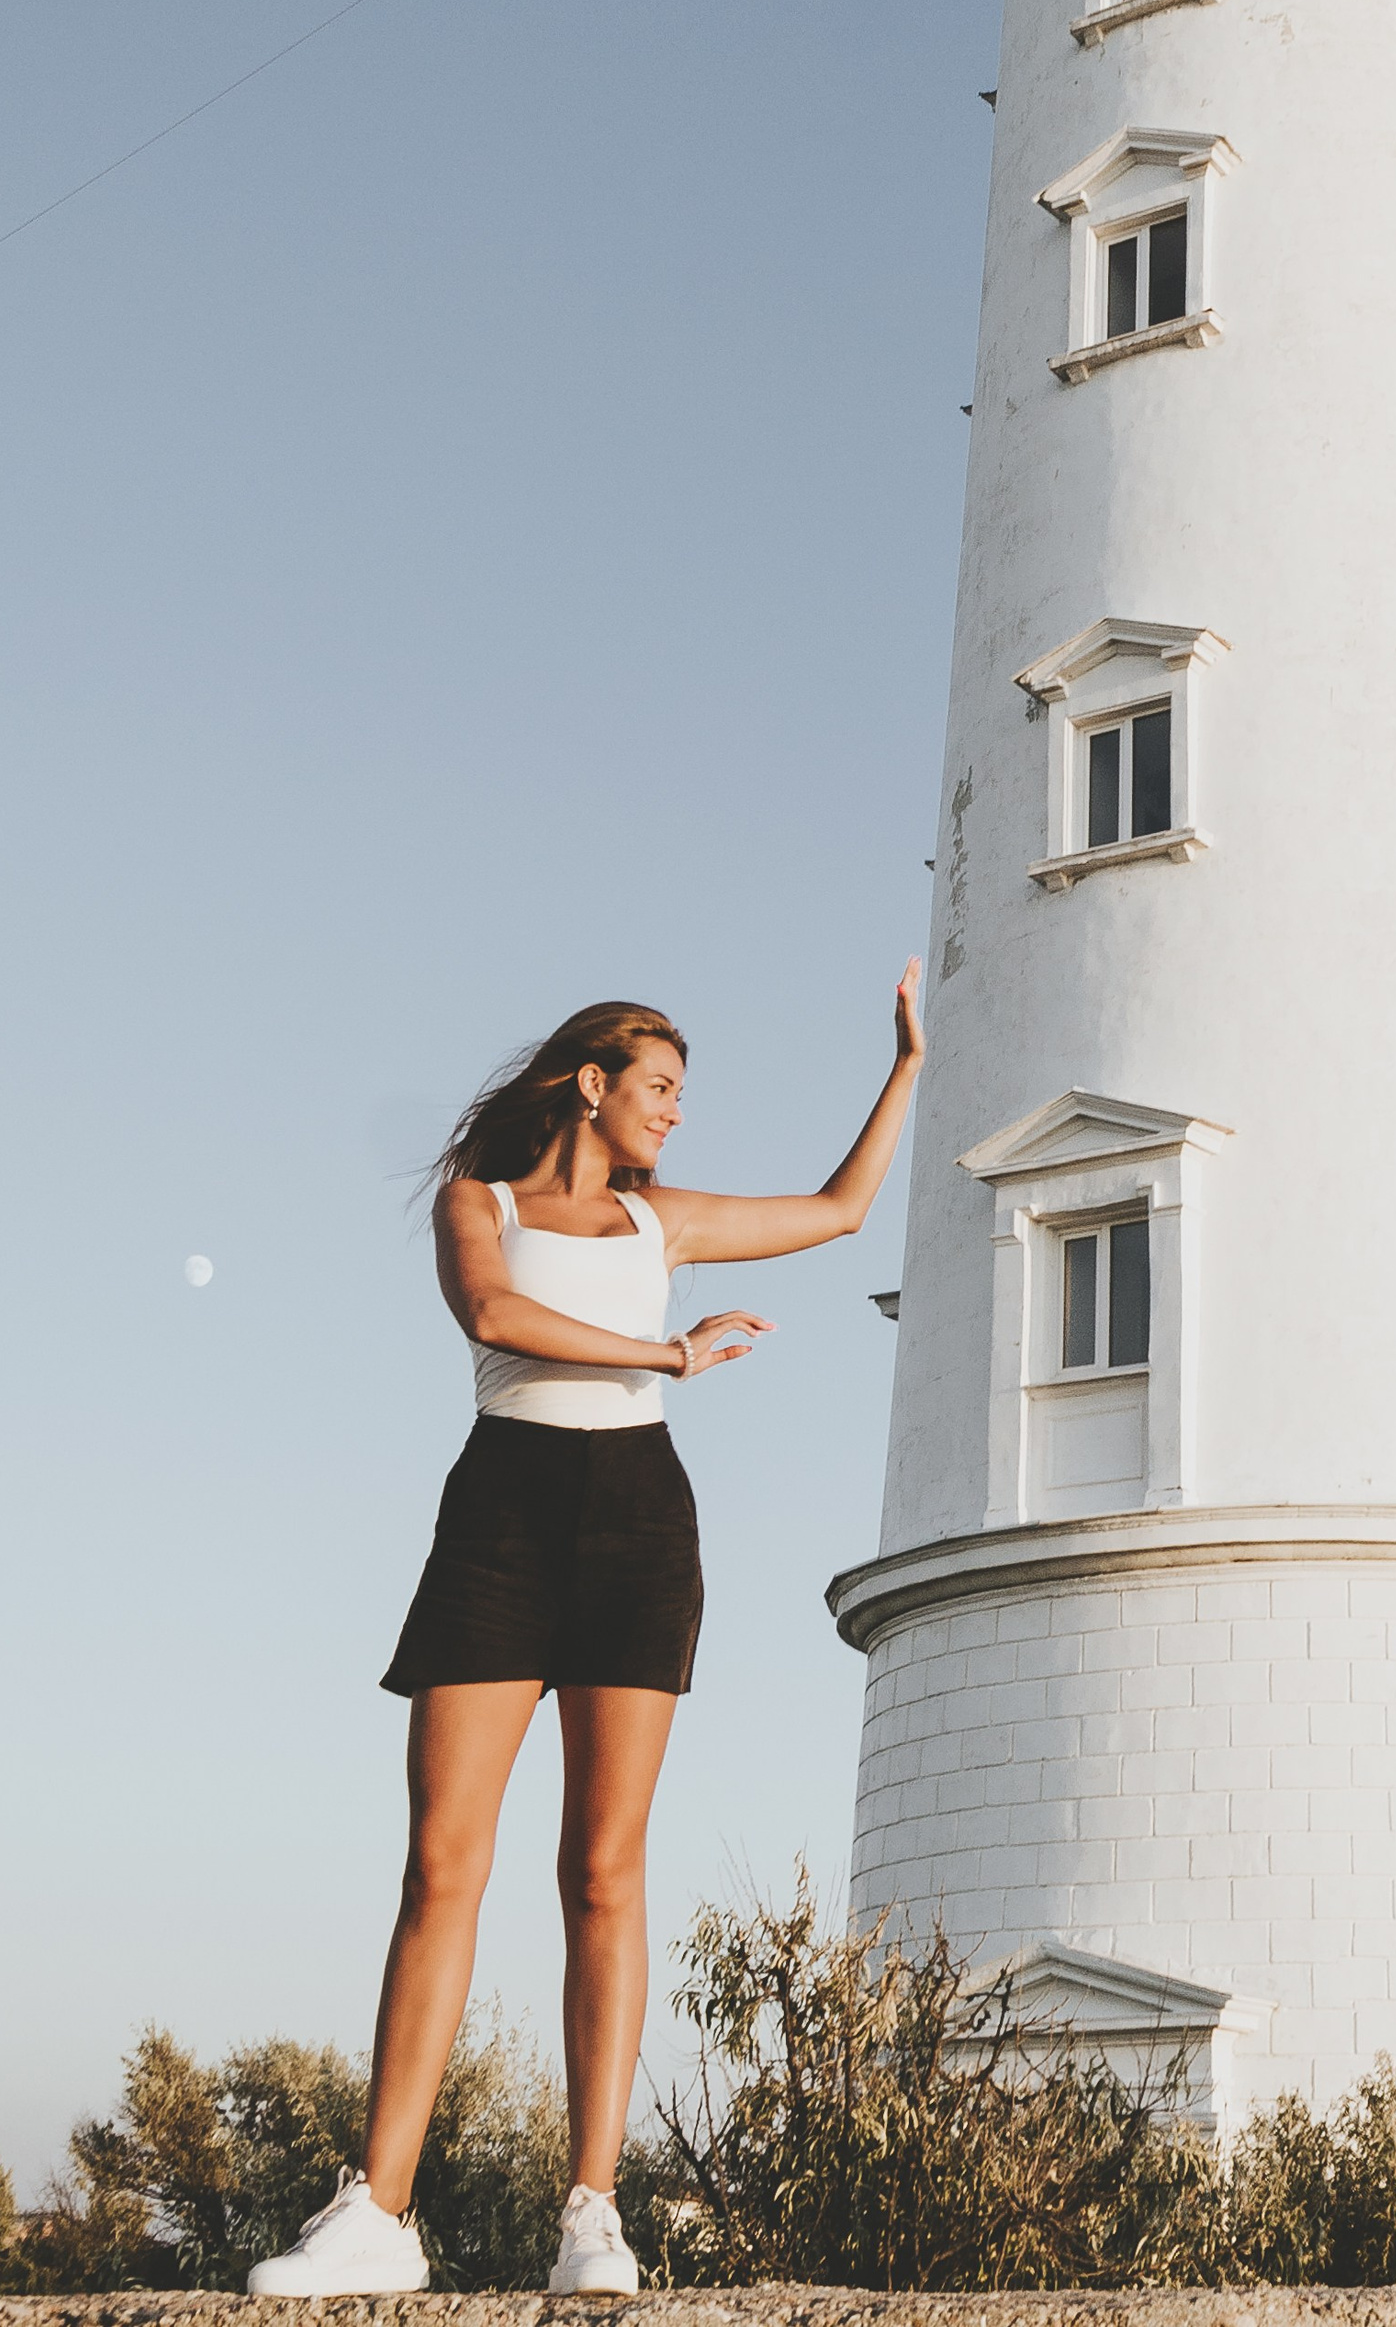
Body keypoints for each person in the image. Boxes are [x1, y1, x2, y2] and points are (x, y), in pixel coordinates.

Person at [246, 969, 924, 2299]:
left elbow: (842, 1212)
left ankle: (592, 2212)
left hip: (636, 1524)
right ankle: (379, 2211)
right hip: (499, 1520)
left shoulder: (655, 1220)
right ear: (591, 1082)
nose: (677, 1111)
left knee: (602, 1873)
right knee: (441, 1867)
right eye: (660, 1085)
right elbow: (495, 1318)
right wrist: (669, 1357)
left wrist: (906, 1062)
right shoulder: (477, 1203)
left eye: (683, 1092)